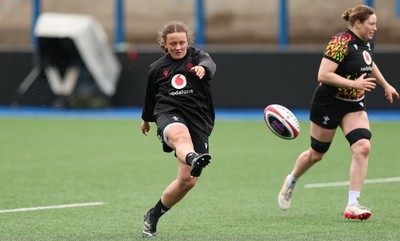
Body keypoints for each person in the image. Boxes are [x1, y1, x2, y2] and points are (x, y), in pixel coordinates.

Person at [278, 5, 399, 220]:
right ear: (358, 23)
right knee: (317, 154)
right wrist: (354, 84)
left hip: (353, 103)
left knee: (363, 147)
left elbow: (368, 62)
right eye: (372, 24)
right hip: (329, 102)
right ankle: (291, 181)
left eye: (376, 24)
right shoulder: (340, 42)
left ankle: (353, 205)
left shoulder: (368, 41)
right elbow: (323, 75)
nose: (375, 28)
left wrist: (385, 84)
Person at [140, 21, 217, 238]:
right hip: (168, 112)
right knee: (180, 136)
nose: (178, 47)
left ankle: (153, 215)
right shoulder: (156, 68)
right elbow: (149, 99)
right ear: (164, 44)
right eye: (173, 43)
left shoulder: (198, 57)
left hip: (199, 119)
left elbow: (210, 64)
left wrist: (203, 68)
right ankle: (192, 157)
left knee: (188, 181)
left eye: (181, 42)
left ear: (187, 42)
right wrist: (146, 120)